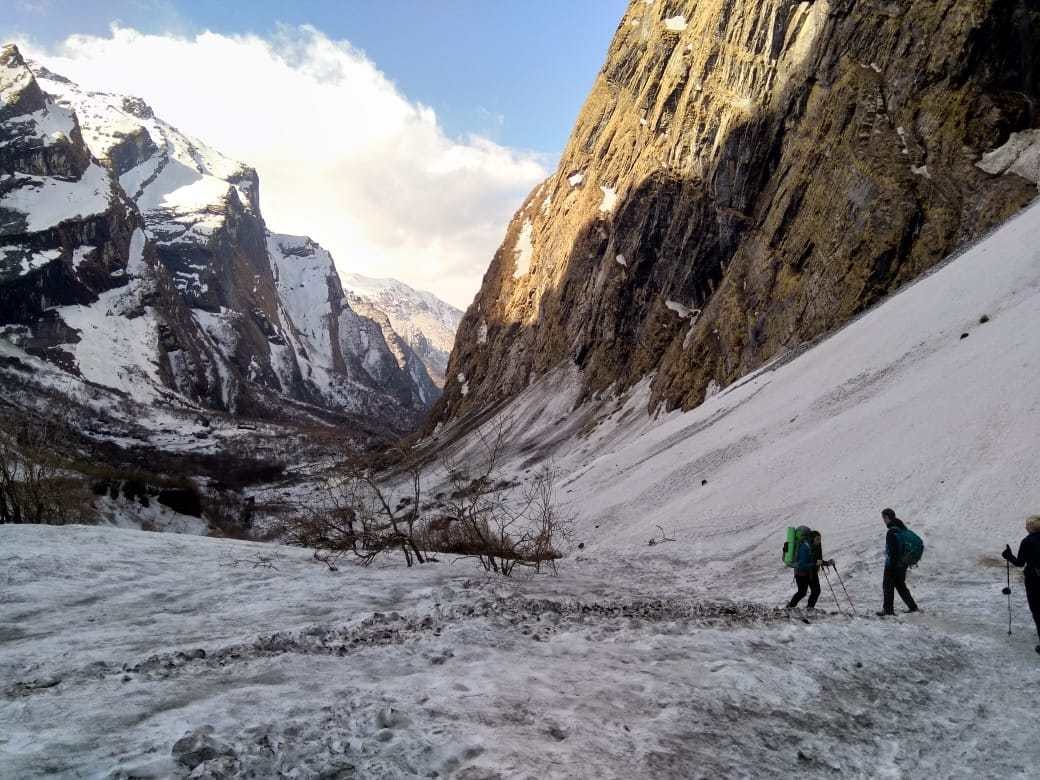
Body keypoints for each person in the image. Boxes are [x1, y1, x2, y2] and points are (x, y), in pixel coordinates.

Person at [1002, 514, 1040, 655]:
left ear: (1031, 526)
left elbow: (1020, 563)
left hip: (1034, 580)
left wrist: (1008, 555)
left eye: (1027, 525)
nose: (1025, 527)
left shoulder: (1027, 541)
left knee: (1037, 610)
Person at [877, 508, 919, 616]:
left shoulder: (891, 532)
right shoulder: (902, 528)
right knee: (900, 585)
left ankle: (888, 610)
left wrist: (891, 565)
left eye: (884, 518)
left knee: (888, 585)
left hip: (893, 564)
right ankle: (913, 607)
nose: (883, 520)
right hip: (903, 563)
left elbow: (892, 551)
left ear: (887, 517)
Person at [787, 526, 834, 610]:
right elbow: (802, 565)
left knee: (816, 591)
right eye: (817, 539)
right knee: (802, 592)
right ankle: (790, 607)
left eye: (820, 539)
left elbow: (816, 560)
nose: (819, 541)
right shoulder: (804, 548)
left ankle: (809, 609)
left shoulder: (814, 547)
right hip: (801, 573)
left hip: (811, 573)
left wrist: (827, 563)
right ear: (812, 538)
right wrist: (815, 564)